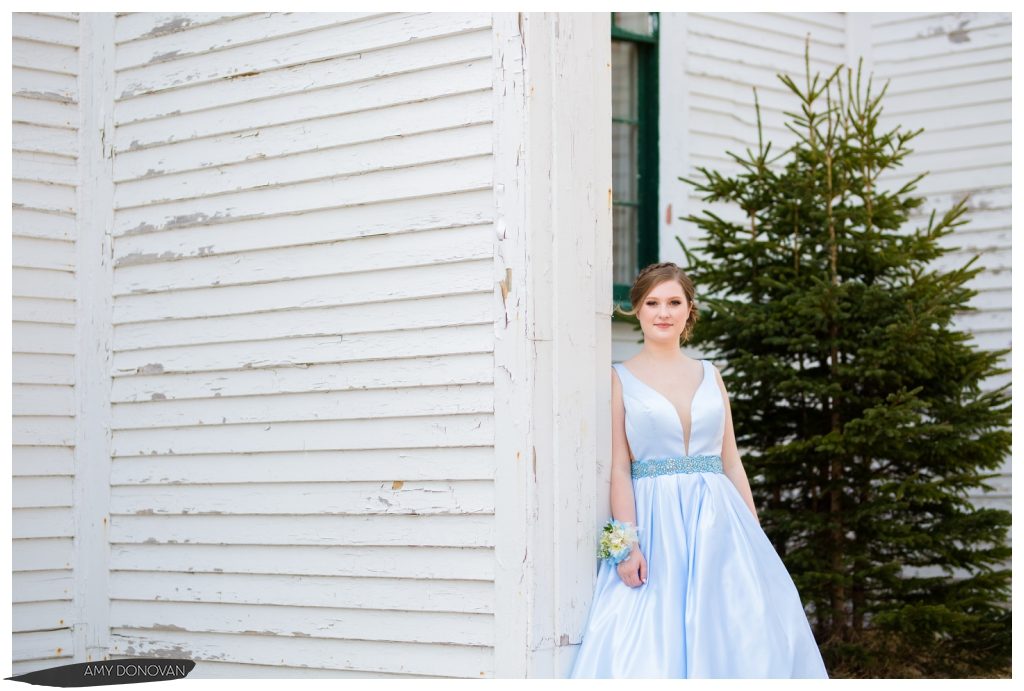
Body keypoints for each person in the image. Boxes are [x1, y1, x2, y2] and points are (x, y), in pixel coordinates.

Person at [568, 262, 829, 679]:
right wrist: (626, 545)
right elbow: (619, 468)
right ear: (636, 309)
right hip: (657, 522)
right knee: (654, 633)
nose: (663, 312)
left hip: (719, 521)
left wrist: (753, 529)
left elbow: (731, 460)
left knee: (737, 630)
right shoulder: (619, 378)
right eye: (653, 303)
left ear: (689, 310)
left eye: (674, 302)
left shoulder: (711, 374)